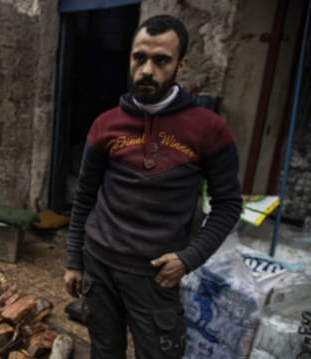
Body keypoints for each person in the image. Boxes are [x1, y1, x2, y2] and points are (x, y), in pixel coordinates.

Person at [63, 14, 242, 359]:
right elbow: (84, 196)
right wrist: (74, 259)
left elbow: (228, 205)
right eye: (139, 58)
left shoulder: (208, 129)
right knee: (104, 350)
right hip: (99, 266)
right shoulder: (106, 125)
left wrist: (189, 258)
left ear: (181, 64)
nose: (147, 70)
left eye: (161, 61)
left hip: (156, 276)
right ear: (130, 58)